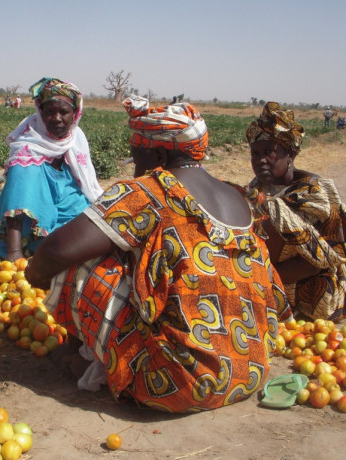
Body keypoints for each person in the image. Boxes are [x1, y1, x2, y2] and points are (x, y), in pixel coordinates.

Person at [25, 96, 291, 413]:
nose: (133, 159)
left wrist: (34, 276)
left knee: (81, 261)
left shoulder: (149, 191)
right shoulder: (239, 194)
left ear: (159, 152)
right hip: (251, 371)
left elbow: (56, 250)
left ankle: (99, 362)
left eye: (136, 152)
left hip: (177, 384)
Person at [0, 77, 103, 262]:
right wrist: (14, 254)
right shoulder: (28, 146)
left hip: (64, 200)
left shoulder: (76, 139)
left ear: (75, 114)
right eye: (50, 112)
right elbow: (19, 197)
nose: (57, 118)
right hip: (34, 218)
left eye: (64, 112)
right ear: (40, 112)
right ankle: (17, 245)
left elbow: (84, 183)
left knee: (90, 228)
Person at [247, 102, 346, 321]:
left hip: (311, 286)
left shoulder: (315, 192)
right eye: (255, 153)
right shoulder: (258, 187)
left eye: (269, 152)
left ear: (290, 153)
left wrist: (257, 279)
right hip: (268, 278)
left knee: (270, 214)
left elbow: (318, 261)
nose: (260, 159)